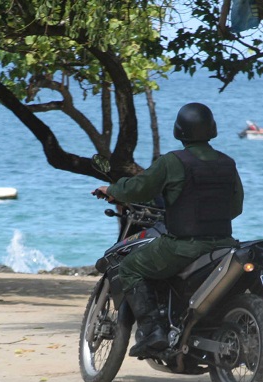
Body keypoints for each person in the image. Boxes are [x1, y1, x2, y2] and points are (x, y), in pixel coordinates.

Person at [93, 102, 244, 358]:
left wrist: (112, 190)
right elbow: (235, 206)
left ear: (179, 130)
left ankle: (153, 332)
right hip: (223, 245)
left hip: (183, 246)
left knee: (130, 267)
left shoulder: (173, 161)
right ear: (212, 129)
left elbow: (139, 188)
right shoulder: (227, 163)